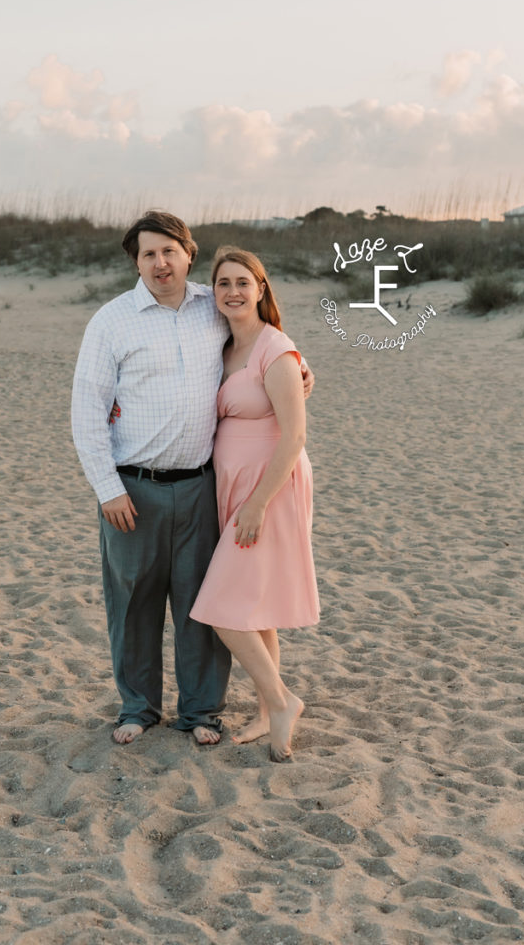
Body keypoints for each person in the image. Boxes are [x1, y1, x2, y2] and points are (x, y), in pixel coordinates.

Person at [71, 211, 313, 747]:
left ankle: (202, 712)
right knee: (132, 604)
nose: (161, 263)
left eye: (169, 251)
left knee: (198, 604)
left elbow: (266, 342)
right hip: (132, 489)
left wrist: (301, 370)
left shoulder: (214, 304)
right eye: (148, 254)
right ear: (136, 262)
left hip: (203, 486)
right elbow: (86, 411)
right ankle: (137, 708)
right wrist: (106, 487)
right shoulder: (111, 321)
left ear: (188, 254)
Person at [190, 246, 320, 762]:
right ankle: (268, 710)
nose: (233, 292)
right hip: (234, 488)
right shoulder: (223, 346)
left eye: (244, 282)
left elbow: (294, 435)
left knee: (221, 606)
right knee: (256, 601)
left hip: (270, 489)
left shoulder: (276, 348)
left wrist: (258, 503)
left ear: (261, 289)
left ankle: (284, 700)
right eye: (223, 283)